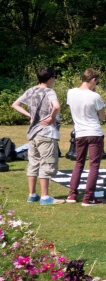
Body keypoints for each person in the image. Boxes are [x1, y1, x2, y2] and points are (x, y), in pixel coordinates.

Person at [11, 67, 62, 204]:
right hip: (46, 133)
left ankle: (32, 194)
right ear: (51, 78)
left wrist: (31, 116)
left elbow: (15, 104)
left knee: (33, 163)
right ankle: (45, 197)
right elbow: (56, 106)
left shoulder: (31, 90)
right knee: (47, 163)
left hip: (33, 133)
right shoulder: (49, 91)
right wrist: (52, 118)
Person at [66, 68, 106, 206]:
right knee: (94, 166)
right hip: (94, 132)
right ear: (93, 80)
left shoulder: (70, 93)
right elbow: (102, 116)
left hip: (80, 132)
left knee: (79, 163)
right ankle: (88, 198)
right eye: (96, 82)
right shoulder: (95, 96)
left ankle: (72, 195)